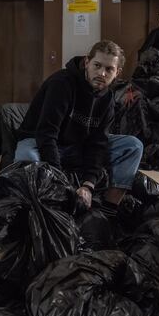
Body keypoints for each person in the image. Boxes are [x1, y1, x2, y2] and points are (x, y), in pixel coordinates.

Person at [14, 40, 144, 215]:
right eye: (97, 65)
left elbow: (98, 143)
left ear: (117, 73)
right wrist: (62, 183)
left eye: (109, 69)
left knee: (133, 146)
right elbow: (46, 134)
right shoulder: (61, 84)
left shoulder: (107, 99)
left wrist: (88, 185)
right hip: (40, 141)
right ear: (86, 62)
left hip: (77, 146)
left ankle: (108, 211)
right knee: (27, 158)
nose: (101, 73)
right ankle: (37, 212)